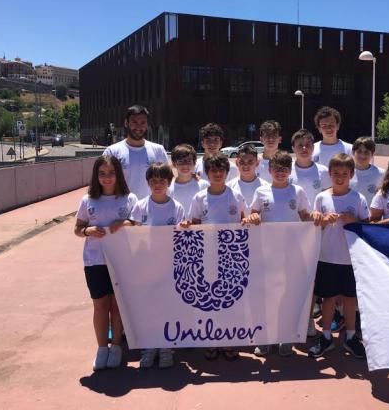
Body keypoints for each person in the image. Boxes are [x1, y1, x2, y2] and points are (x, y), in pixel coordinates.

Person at [244, 150, 312, 357]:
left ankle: (285, 336)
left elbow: (305, 216)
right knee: (265, 295)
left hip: (290, 253)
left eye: (284, 169)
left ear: (290, 171)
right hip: (266, 253)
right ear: (270, 170)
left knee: (287, 295)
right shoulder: (261, 192)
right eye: (277, 169)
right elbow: (253, 213)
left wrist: (317, 218)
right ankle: (263, 338)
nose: (280, 173)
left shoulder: (298, 192)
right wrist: (254, 217)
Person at [74, 155, 137, 370]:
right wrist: (86, 230)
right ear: (96, 176)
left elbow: (138, 225)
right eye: (102, 174)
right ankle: (102, 348)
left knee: (117, 305)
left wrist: (126, 222)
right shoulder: (87, 200)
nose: (107, 178)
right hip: (95, 261)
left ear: (118, 174)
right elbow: (77, 228)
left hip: (122, 261)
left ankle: (117, 346)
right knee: (100, 305)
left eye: (111, 173)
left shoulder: (129, 199)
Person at [185, 153, 247, 361]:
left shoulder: (236, 196)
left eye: (221, 170)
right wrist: (187, 225)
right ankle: (210, 340)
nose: (218, 174)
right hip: (206, 256)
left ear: (227, 173)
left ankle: (229, 340)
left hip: (231, 256)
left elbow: (245, 219)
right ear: (207, 173)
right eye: (213, 171)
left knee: (230, 300)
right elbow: (193, 223)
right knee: (209, 299)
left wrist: (252, 219)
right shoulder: (199, 197)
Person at [308, 153, 369, 359]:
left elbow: (367, 226)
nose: (340, 177)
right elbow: (315, 224)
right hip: (327, 256)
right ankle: (326, 337)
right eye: (336, 173)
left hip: (351, 258)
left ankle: (351, 337)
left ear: (351, 174)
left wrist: (354, 220)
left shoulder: (358, 198)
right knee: (328, 298)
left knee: (351, 299)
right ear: (329, 174)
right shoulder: (321, 197)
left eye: (344, 173)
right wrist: (322, 220)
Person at [131, 163, 186, 368]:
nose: (158, 184)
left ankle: (166, 347)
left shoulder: (177, 207)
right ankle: (149, 347)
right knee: (148, 309)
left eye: (162, 181)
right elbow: (134, 236)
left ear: (169, 183)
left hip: (169, 269)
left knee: (167, 308)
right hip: (146, 269)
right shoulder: (140, 206)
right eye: (153, 181)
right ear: (147, 183)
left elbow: (182, 239)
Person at [289, 128, 331, 338]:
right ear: (293, 148)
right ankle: (290, 319)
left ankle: (307, 320)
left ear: (313, 147)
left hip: (317, 231)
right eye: (300, 145)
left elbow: (328, 198)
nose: (304, 149)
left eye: (308, 145)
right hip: (291, 234)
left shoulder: (323, 171)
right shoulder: (287, 170)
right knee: (292, 279)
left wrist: (320, 219)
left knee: (311, 279)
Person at [103, 105, 168, 199]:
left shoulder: (158, 150)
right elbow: (103, 182)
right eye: (134, 122)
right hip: (122, 210)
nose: (139, 126)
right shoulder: (112, 152)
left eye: (143, 122)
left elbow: (167, 180)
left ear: (147, 125)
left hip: (150, 209)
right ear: (126, 123)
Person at [169, 144, 209, 216]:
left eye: (189, 161)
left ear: (194, 163)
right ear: (174, 164)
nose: (185, 165)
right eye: (180, 161)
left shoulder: (204, 185)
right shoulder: (168, 187)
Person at [350, 136, 384, 205]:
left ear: (372, 154)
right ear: (353, 152)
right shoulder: (346, 173)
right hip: (349, 214)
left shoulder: (381, 174)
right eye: (359, 151)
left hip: (371, 215)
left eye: (366, 152)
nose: (362, 155)